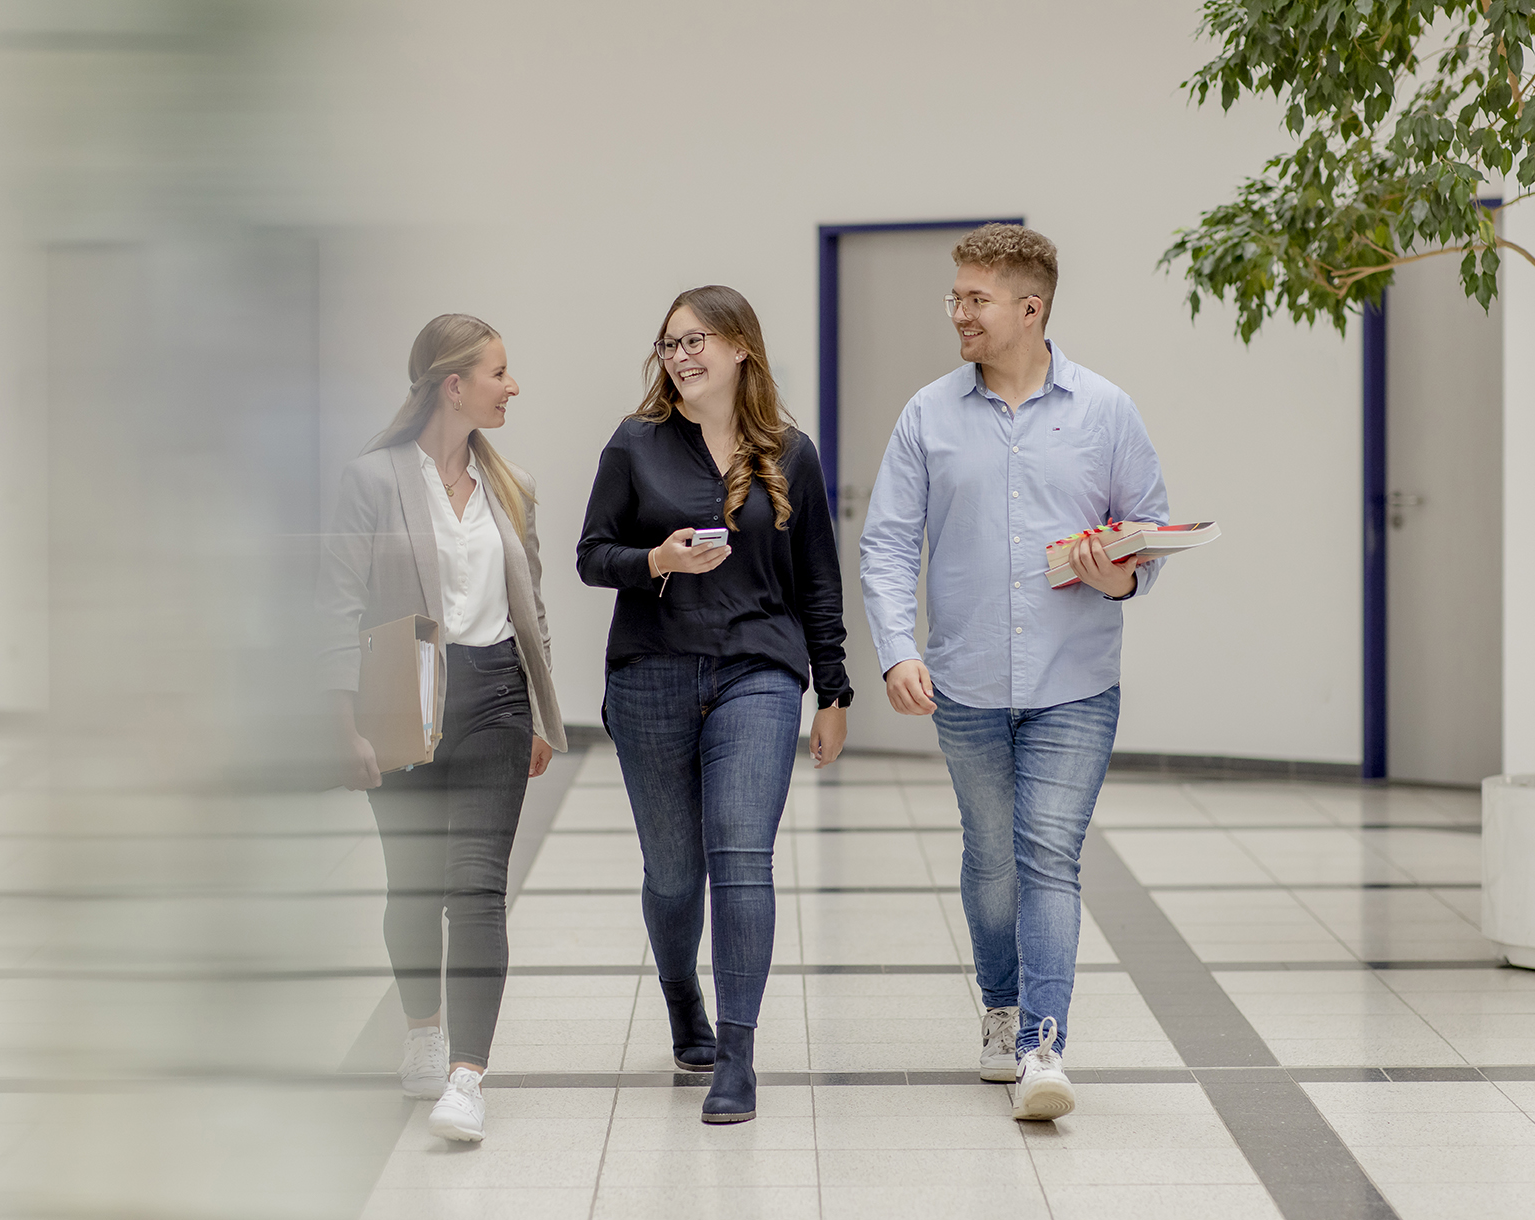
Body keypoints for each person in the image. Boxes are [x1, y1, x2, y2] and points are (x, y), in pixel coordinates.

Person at [859, 225, 1169, 1122]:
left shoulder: (1106, 411)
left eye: (975, 299)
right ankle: (1000, 1006)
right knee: (991, 857)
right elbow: (886, 542)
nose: (958, 312)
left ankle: (1043, 1042)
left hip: (1077, 683)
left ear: (1030, 308)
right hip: (964, 682)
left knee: (1048, 855)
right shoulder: (928, 415)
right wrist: (897, 648)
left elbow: (1146, 531)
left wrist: (1126, 569)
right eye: (956, 296)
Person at [577, 285, 850, 1124]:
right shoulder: (636, 443)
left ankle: (738, 1053)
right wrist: (655, 558)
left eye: (696, 341)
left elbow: (818, 582)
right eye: (669, 345)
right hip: (651, 672)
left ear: (740, 348)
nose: (681, 356)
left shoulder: (791, 452)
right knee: (672, 872)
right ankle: (681, 1000)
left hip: (757, 675)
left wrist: (832, 688)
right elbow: (593, 555)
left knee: (741, 859)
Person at [318, 314, 566, 1143]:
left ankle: (468, 1075)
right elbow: (337, 601)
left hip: (494, 694)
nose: (513, 385)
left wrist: (536, 706)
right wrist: (343, 719)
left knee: (476, 888)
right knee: (415, 886)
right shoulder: (371, 479)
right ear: (452, 385)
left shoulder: (510, 483)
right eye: (500, 371)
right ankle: (421, 1030)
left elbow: (530, 604)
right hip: (404, 700)